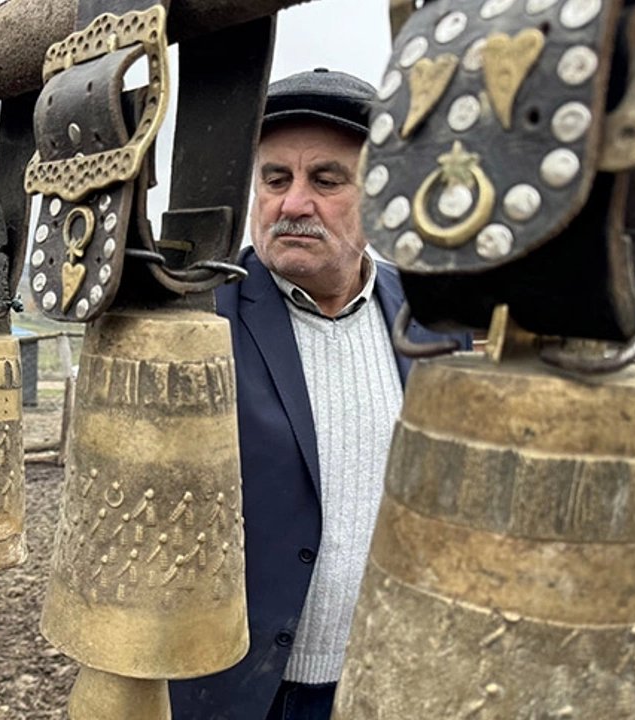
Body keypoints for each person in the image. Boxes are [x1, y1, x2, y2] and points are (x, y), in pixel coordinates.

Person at [168, 69, 473, 719]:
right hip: (238, 691)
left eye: (326, 180)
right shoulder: (196, 320)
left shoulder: (433, 320)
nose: (293, 203)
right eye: (275, 179)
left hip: (385, 679)